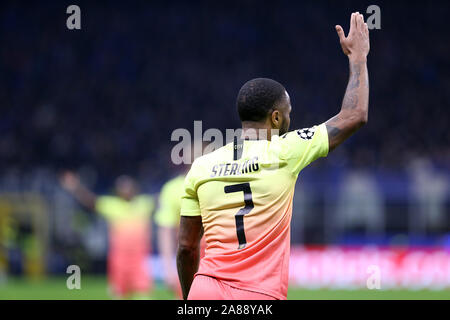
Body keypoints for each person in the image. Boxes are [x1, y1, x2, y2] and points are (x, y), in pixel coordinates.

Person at [177, 12, 370, 300]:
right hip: (259, 294)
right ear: (277, 117)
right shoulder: (286, 151)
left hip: (205, 291)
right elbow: (354, 116)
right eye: (289, 113)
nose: (290, 118)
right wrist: (358, 58)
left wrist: (190, 298)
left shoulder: (201, 167)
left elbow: (186, 248)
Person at [60, 172, 154, 299]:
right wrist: (76, 188)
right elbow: (91, 201)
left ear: (134, 188)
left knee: (143, 295)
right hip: (119, 259)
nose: (126, 190)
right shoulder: (112, 205)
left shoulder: (143, 203)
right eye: (123, 188)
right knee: (119, 294)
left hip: (140, 260)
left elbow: (163, 198)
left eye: (128, 187)